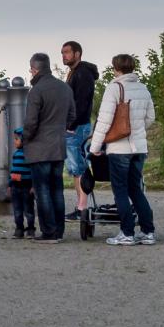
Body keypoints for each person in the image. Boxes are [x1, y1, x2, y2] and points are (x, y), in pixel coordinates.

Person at [90, 54, 158, 246]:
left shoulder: (114, 88)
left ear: (115, 68)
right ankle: (148, 232)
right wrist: (136, 130)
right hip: (139, 148)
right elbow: (150, 117)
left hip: (119, 148)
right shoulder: (143, 88)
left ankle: (127, 233)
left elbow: (104, 120)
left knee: (120, 190)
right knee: (135, 189)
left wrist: (95, 147)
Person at [21, 52, 74, 243]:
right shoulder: (65, 88)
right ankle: (59, 231)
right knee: (57, 190)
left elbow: (31, 122)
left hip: (39, 148)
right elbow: (72, 116)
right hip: (58, 146)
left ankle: (48, 232)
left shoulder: (36, 91)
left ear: (34, 69)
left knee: (42, 190)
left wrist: (24, 139)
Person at [62, 41, 100, 221]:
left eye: (67, 52)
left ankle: (82, 208)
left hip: (77, 127)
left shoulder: (83, 74)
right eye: (62, 53)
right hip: (76, 126)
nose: (64, 56)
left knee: (79, 168)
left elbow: (82, 103)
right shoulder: (74, 73)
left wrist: (70, 126)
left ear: (77, 54)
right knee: (76, 168)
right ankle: (81, 205)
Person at [8, 129, 34, 238]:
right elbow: (13, 170)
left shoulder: (29, 154)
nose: (15, 141)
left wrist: (33, 185)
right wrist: (10, 184)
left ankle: (31, 229)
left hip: (26, 186)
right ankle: (19, 228)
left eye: (17, 139)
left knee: (28, 209)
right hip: (15, 186)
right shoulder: (16, 154)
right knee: (17, 210)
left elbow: (33, 171)